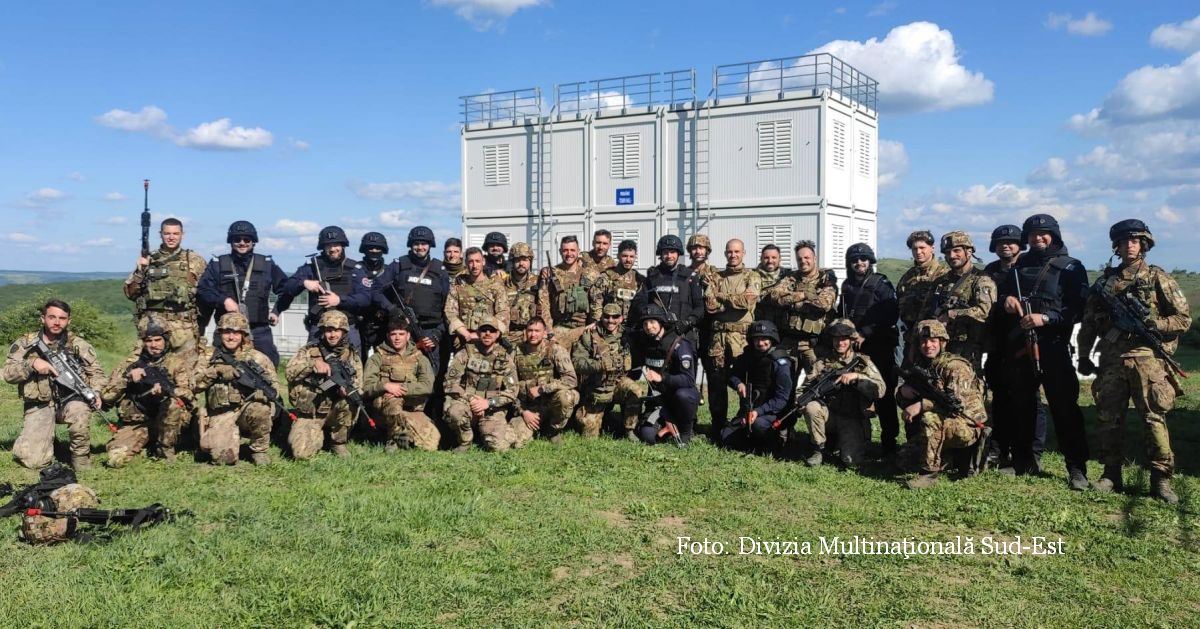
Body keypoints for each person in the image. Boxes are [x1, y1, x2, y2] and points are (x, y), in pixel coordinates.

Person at [1077, 219, 1191, 503]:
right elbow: (1089, 323)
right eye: (1124, 241)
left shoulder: (1157, 278)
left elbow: (1183, 319)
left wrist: (1156, 324)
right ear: (1116, 246)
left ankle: (1161, 479)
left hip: (1147, 359)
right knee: (1108, 419)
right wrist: (1082, 355)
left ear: (1144, 244)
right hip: (1112, 359)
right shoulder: (1105, 283)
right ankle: (1110, 473)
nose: (1130, 245)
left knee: (1153, 418)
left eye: (1135, 241)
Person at [996, 214, 1091, 490]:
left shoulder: (1071, 267)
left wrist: (1046, 319)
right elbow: (1001, 295)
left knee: (1065, 410)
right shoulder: (1018, 265)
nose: (1038, 239)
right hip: (1020, 348)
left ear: (1054, 235)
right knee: (1022, 406)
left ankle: (1077, 469)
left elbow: (1078, 309)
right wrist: (1007, 301)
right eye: (1033, 235)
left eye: (1044, 234)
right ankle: (1025, 460)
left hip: (1052, 347)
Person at [3, 299, 105, 470]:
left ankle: (81, 460)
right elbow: (8, 374)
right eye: (52, 317)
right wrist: (32, 364)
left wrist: (96, 392)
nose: (57, 322)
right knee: (34, 462)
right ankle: (46, 439)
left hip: (70, 401)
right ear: (43, 318)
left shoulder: (77, 344)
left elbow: (96, 372)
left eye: (62, 318)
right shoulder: (25, 343)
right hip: (39, 404)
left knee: (80, 411)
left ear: (68, 321)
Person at [981, 225, 1046, 469]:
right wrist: (1002, 300)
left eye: (1010, 241)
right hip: (999, 345)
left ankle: (1031, 453)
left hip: (1026, 343)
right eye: (1000, 243)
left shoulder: (1031, 267)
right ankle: (1000, 449)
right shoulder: (990, 271)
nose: (1005, 246)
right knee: (1000, 398)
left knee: (1029, 401)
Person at [896, 320, 989, 489]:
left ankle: (928, 474)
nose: (928, 345)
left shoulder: (955, 366)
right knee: (904, 459)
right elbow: (906, 401)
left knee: (929, 418)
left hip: (967, 425)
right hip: (945, 423)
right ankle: (950, 458)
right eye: (923, 341)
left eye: (933, 341)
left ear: (943, 342)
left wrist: (921, 405)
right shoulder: (924, 365)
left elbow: (956, 407)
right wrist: (903, 392)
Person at [376, 226, 450, 418]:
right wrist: (394, 310)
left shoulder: (439, 269)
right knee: (401, 373)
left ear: (430, 245)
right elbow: (377, 290)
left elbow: (448, 308)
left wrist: (436, 334)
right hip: (402, 331)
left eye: (424, 243)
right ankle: (399, 415)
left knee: (432, 376)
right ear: (411, 245)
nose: (420, 247)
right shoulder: (399, 264)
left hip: (431, 332)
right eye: (416, 243)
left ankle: (431, 417)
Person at [101, 319, 194, 467]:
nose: (154, 345)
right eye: (149, 341)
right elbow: (106, 397)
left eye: (158, 340)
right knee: (116, 459)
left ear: (166, 340)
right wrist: (127, 378)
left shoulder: (176, 363)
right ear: (143, 342)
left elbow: (189, 394)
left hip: (165, 423)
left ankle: (165, 451)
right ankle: (146, 446)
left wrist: (167, 392)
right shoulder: (130, 363)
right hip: (137, 423)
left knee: (173, 404)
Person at [838, 243, 901, 457]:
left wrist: (865, 332)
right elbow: (842, 314)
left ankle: (889, 442)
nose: (859, 263)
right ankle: (858, 440)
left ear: (870, 261)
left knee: (883, 396)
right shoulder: (846, 286)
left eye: (863, 259)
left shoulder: (881, 283)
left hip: (879, 348)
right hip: (855, 349)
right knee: (854, 393)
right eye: (855, 260)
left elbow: (890, 314)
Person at [197, 220, 289, 365]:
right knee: (218, 370)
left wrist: (277, 310)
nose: (242, 243)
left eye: (247, 239)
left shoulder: (266, 264)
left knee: (268, 370)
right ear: (231, 242)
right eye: (237, 239)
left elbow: (287, 289)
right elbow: (203, 290)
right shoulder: (218, 264)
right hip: (226, 331)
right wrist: (223, 300)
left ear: (253, 242)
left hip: (258, 331)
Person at [194, 313, 278, 466]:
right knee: (223, 459)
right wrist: (216, 371)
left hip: (247, 409)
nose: (231, 337)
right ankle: (224, 437)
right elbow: (193, 385)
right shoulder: (207, 356)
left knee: (260, 409)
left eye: (236, 332)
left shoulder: (258, 358)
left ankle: (259, 450)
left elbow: (274, 388)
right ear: (220, 333)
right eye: (227, 332)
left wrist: (263, 396)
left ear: (243, 334)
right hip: (220, 412)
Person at [801, 319, 885, 468]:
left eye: (844, 338)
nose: (840, 343)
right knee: (812, 407)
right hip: (829, 415)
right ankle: (818, 449)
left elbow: (880, 389)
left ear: (851, 340)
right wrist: (801, 403)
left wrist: (858, 377)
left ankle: (839, 443)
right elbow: (805, 388)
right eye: (836, 339)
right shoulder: (822, 362)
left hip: (852, 417)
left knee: (851, 463)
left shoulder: (862, 362)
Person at [123, 217, 207, 359]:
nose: (171, 237)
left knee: (185, 372)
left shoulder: (194, 260)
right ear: (160, 234)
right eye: (167, 233)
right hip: (153, 327)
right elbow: (130, 293)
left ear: (182, 234)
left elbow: (206, 293)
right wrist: (140, 271)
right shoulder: (149, 259)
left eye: (175, 233)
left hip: (183, 327)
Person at [284, 310, 364, 460]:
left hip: (335, 409)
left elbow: (359, 384)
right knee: (301, 454)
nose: (332, 335)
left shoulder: (351, 355)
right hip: (311, 412)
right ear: (322, 331)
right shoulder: (308, 351)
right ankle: (315, 434)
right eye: (328, 330)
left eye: (336, 330)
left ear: (344, 331)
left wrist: (347, 389)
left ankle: (338, 441)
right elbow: (289, 372)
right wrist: (312, 364)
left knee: (351, 401)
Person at [277, 226, 370, 351]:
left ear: (343, 245)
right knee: (314, 367)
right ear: (323, 247)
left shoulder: (355, 269)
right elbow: (288, 286)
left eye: (336, 244)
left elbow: (365, 298)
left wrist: (339, 300)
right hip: (319, 329)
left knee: (351, 368)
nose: (332, 249)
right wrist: (304, 283)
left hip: (348, 328)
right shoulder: (312, 267)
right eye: (328, 245)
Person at [702, 239, 761, 437]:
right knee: (717, 382)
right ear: (725, 253)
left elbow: (746, 302)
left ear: (744, 253)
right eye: (729, 252)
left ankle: (744, 424)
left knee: (744, 382)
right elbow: (710, 306)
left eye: (737, 252)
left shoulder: (752, 276)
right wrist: (726, 300)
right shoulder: (716, 276)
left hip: (741, 339)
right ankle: (718, 426)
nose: (733, 255)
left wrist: (721, 297)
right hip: (718, 338)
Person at [442, 317, 520, 452]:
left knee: (498, 447)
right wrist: (471, 399)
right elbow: (449, 382)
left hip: (492, 407)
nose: (488, 333)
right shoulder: (465, 352)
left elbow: (513, 391)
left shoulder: (505, 358)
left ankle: (505, 432)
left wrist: (488, 403)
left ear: (497, 334)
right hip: (468, 402)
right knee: (455, 412)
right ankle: (465, 441)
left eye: (492, 330)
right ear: (478, 333)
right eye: (484, 330)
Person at [363, 314, 439, 452]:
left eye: (401, 334)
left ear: (408, 336)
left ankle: (406, 434)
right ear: (388, 335)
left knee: (431, 445)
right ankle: (393, 439)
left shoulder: (420, 358)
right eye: (393, 334)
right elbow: (366, 386)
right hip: (384, 410)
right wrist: (385, 386)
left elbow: (428, 386)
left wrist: (401, 389)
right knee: (393, 399)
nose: (397, 338)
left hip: (411, 408)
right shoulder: (377, 357)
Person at [761, 240, 838, 375]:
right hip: (790, 342)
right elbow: (775, 296)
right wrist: (803, 295)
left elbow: (824, 304)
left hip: (814, 345)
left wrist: (792, 299)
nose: (803, 261)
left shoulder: (825, 279)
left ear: (814, 258)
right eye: (799, 259)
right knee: (783, 383)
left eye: (807, 258)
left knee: (816, 384)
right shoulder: (791, 278)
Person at [921, 231, 995, 372]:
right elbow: (925, 314)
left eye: (956, 251)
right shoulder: (941, 282)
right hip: (939, 347)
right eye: (947, 252)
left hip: (967, 349)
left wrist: (952, 314)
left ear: (969, 251)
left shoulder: (981, 280)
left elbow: (984, 311)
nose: (952, 256)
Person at [720, 320, 794, 452]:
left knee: (758, 426)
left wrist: (757, 412)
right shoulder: (749, 356)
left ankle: (776, 439)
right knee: (726, 437)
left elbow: (782, 400)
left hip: (773, 412)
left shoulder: (780, 362)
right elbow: (731, 375)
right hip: (750, 408)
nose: (760, 343)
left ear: (772, 339)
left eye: (764, 339)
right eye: (757, 339)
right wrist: (738, 384)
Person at [572, 303, 642, 439]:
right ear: (601, 317)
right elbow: (577, 362)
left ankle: (629, 429)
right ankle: (589, 416)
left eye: (615, 317)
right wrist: (600, 365)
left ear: (621, 318)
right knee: (589, 437)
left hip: (618, 384)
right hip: (597, 389)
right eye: (607, 316)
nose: (610, 320)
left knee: (635, 391)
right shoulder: (589, 336)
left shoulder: (627, 335)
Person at [634, 305, 701, 445]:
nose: (649, 327)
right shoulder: (645, 343)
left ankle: (686, 430)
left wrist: (662, 378)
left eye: (652, 322)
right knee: (648, 436)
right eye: (645, 324)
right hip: (659, 401)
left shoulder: (679, 344)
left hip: (680, 397)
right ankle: (667, 428)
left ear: (661, 322)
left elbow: (689, 380)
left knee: (684, 395)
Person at [509, 317, 580, 445]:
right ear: (525, 332)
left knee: (567, 396)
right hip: (528, 407)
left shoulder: (555, 350)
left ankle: (553, 430)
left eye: (537, 330)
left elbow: (571, 380)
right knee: (516, 441)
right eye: (530, 330)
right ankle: (535, 426)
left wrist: (543, 389)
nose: (533, 334)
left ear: (544, 333)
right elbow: (509, 387)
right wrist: (523, 412)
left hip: (551, 403)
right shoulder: (515, 352)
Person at [630, 235, 702, 345]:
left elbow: (700, 307)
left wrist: (689, 321)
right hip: (656, 335)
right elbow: (639, 301)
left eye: (672, 252)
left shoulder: (690, 276)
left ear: (678, 253)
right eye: (665, 252)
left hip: (683, 335)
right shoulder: (652, 276)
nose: (669, 256)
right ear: (661, 254)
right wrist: (650, 316)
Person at [538, 235, 600, 347]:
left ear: (578, 251)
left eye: (572, 250)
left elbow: (597, 302)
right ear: (560, 251)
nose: (569, 254)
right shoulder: (551, 274)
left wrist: (594, 324)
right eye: (565, 250)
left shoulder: (590, 274)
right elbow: (544, 305)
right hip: (559, 328)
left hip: (584, 327)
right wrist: (549, 330)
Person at [896, 230, 947, 365]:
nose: (918, 252)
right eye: (914, 249)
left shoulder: (943, 275)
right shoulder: (907, 277)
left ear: (932, 248)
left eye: (922, 248)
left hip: (935, 342)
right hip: (912, 340)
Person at [446, 247, 509, 350]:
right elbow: (450, 312)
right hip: (464, 341)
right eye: (471, 262)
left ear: (483, 262)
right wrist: (466, 334)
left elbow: (503, 313)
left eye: (477, 261)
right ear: (466, 263)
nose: (474, 266)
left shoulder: (495, 285)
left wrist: (484, 335)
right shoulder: (458, 285)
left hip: (489, 341)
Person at [356, 231, 391, 363]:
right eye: (370, 248)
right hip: (360, 322)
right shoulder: (356, 269)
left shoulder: (389, 271)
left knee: (383, 361)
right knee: (359, 360)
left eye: (378, 248)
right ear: (364, 249)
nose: (374, 251)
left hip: (382, 323)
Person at [592, 239, 645, 327]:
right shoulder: (606, 277)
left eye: (631, 256)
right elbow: (596, 302)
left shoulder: (639, 279)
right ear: (618, 256)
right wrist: (599, 324)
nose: (628, 260)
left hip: (631, 327)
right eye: (625, 256)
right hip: (610, 326)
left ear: (635, 257)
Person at [504, 242, 539, 347]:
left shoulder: (539, 282)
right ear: (512, 262)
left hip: (533, 335)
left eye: (525, 260)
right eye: (517, 260)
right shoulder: (502, 284)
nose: (521, 263)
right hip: (509, 335)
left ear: (530, 261)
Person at [754, 244, 786, 333]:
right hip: (759, 326)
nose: (770, 261)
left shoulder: (787, 276)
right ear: (761, 259)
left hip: (782, 326)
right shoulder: (751, 276)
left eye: (774, 257)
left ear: (780, 259)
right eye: (766, 257)